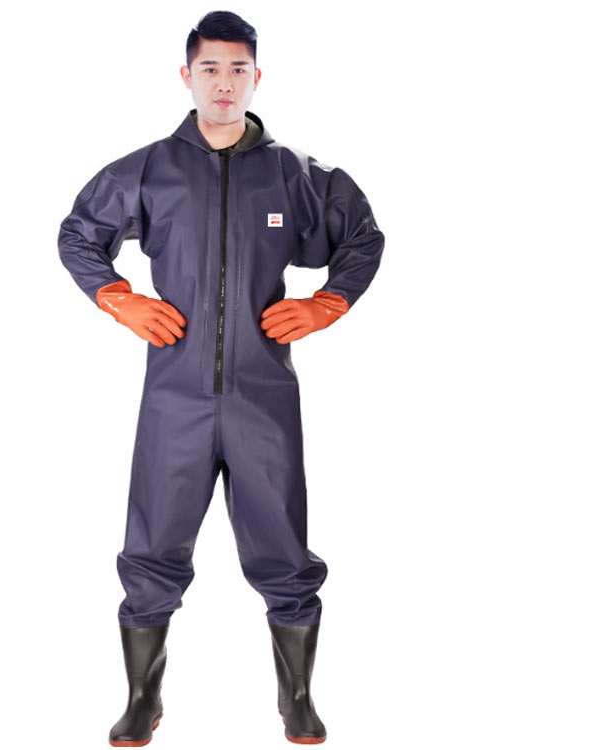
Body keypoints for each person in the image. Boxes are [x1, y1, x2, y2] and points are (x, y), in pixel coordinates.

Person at [57, 10, 384, 746]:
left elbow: (362, 234)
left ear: (257, 77)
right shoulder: (149, 170)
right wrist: (116, 297)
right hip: (173, 395)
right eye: (210, 68)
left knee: (284, 547)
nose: (225, 82)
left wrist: (330, 301)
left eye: (239, 69)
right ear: (187, 76)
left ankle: (297, 696)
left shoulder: (295, 174)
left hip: (263, 394)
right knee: (152, 545)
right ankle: (142, 697)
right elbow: (78, 232)